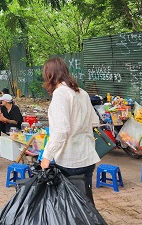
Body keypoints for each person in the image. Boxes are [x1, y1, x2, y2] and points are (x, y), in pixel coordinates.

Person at [40, 57, 100, 204]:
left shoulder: (60, 94)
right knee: (85, 203)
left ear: (50, 75)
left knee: (68, 207)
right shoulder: (82, 93)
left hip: (69, 160)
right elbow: (95, 121)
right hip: (87, 156)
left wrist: (47, 156)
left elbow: (61, 131)